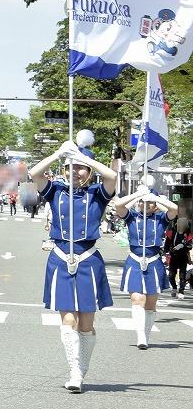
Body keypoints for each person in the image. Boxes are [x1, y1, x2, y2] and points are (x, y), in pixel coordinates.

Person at [29, 133, 117, 393]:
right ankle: (75, 372)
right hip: (60, 257)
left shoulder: (97, 194)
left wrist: (82, 156)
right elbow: (34, 173)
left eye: (80, 168)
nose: (75, 172)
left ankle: (82, 367)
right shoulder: (55, 191)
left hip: (88, 259)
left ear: (89, 171)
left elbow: (112, 177)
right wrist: (59, 155)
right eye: (70, 168)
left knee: (86, 324)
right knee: (68, 319)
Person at [113, 185, 178, 349]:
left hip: (154, 261)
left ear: (155, 206)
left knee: (150, 303)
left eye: (149, 203)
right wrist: (137, 195)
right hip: (135, 260)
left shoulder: (162, 218)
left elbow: (174, 209)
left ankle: (146, 336)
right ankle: (140, 336)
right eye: (143, 202)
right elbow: (119, 205)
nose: (145, 204)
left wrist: (155, 198)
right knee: (137, 299)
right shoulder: (131, 217)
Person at [166, 220, 192, 298]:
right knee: (171, 275)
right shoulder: (172, 232)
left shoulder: (188, 234)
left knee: (182, 275)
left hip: (183, 256)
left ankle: (181, 291)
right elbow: (167, 243)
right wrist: (166, 251)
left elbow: (190, 245)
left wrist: (183, 245)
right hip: (173, 256)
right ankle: (174, 288)